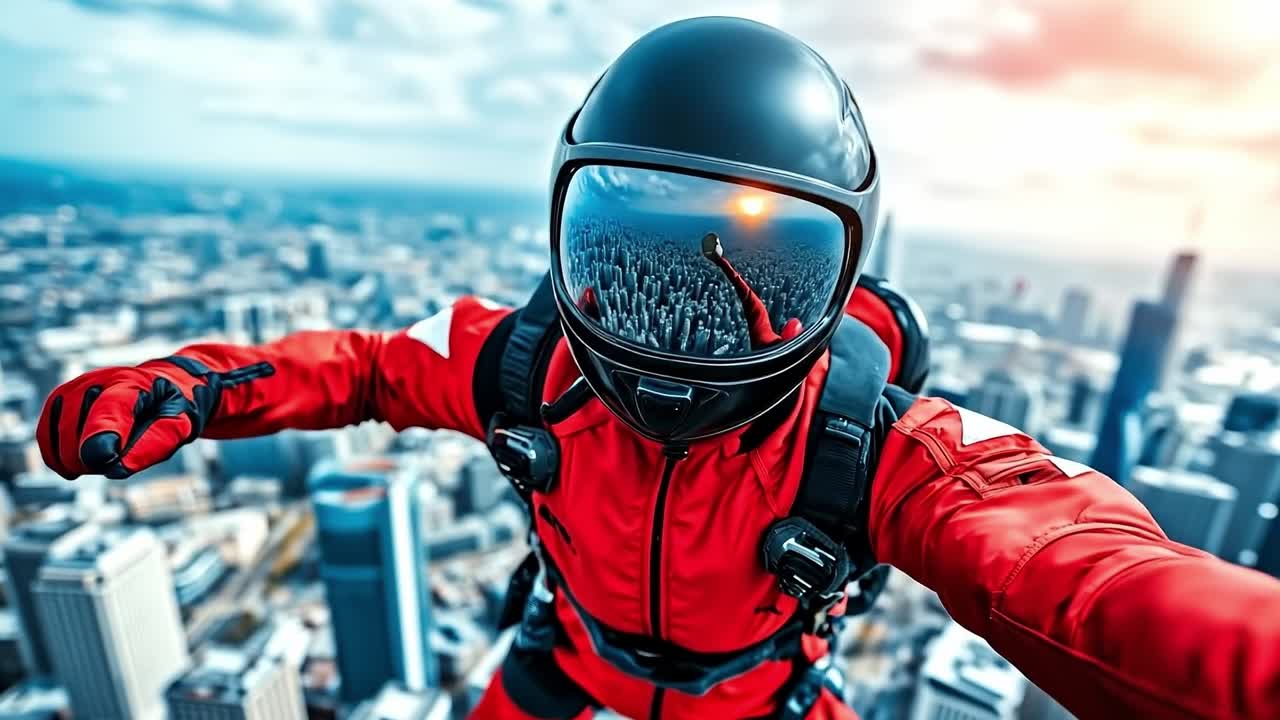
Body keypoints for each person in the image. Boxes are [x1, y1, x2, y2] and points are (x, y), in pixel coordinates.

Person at [36, 17, 1280, 720]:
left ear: (841, 286)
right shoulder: (526, 366)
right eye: (625, 240)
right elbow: (355, 362)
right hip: (564, 668)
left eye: (766, 278)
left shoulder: (867, 445)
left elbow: (1083, 571)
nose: (688, 342)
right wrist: (199, 380)